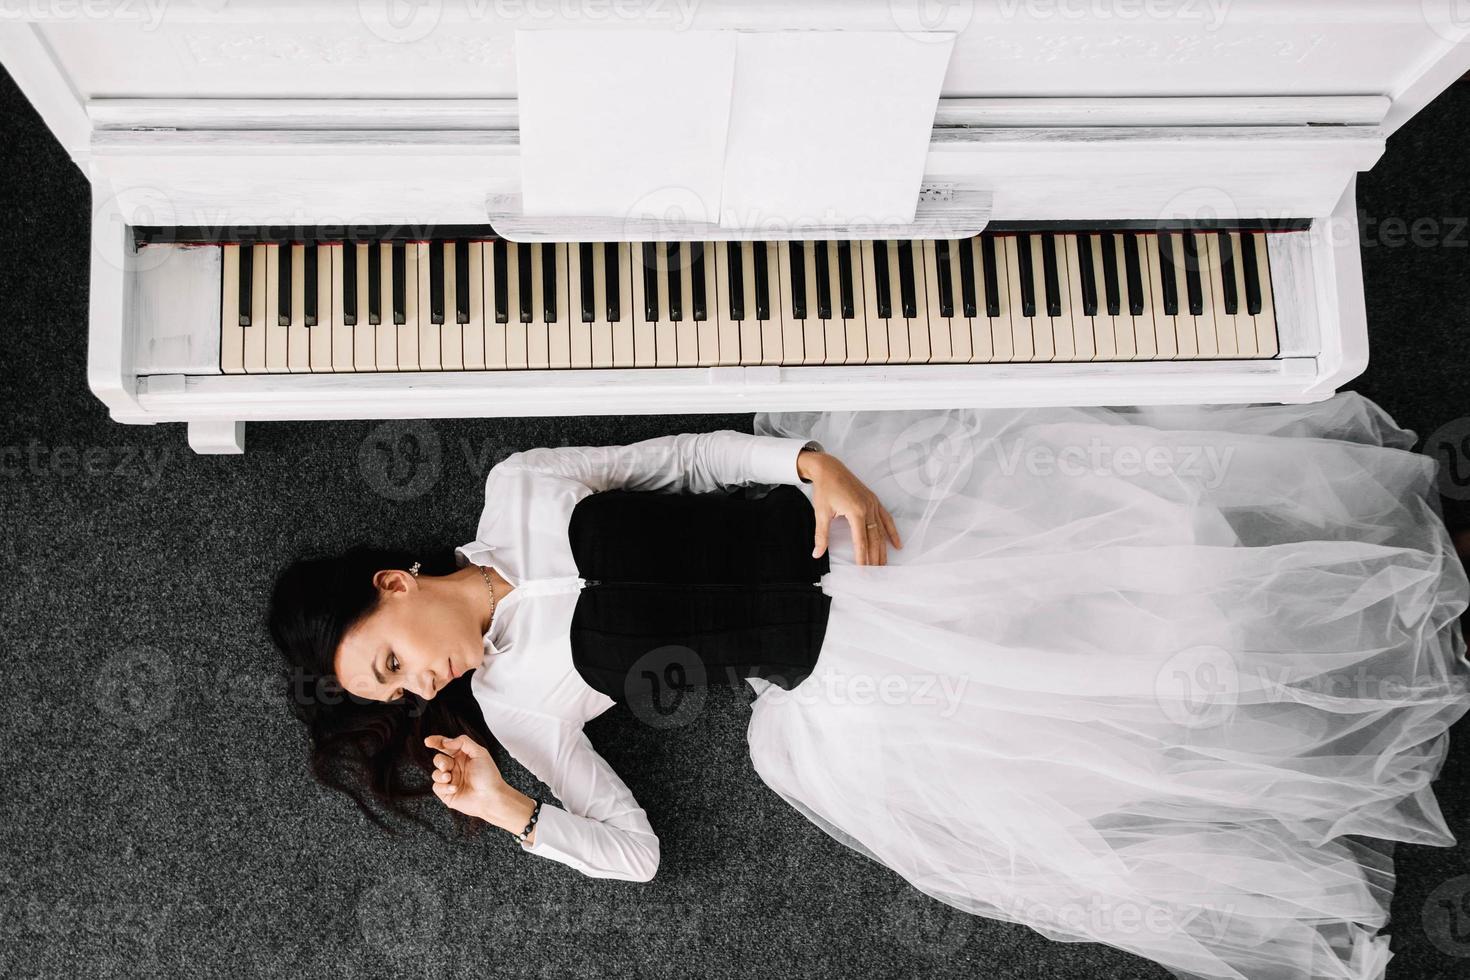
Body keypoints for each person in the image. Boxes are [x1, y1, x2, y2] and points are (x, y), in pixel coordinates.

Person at [269, 393, 1470, 980]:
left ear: (394, 580)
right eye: (397, 696)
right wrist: (513, 811)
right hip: (858, 672)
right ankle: (1307, 707)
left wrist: (806, 460)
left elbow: (677, 462)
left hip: (868, 525)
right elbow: (636, 853)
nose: (419, 684)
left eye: (389, 659)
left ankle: (1317, 591)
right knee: (1110, 696)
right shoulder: (527, 708)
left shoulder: (521, 482)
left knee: (1131, 548)